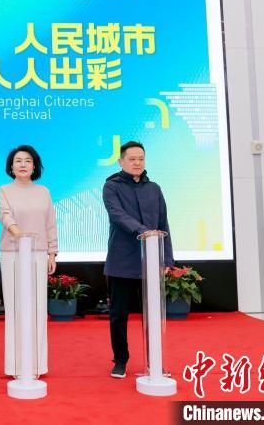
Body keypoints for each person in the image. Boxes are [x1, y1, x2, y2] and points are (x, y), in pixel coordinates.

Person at [102, 141, 173, 379]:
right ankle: (120, 360)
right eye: (132, 159)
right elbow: (117, 215)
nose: (137, 163)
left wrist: (166, 259)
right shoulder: (111, 187)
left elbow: (163, 224)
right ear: (121, 161)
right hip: (122, 261)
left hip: (152, 260)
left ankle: (155, 361)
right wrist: (144, 231)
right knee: (119, 315)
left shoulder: (154, 188)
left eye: (141, 159)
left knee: (153, 314)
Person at [0, 145, 57, 377]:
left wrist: (52, 253)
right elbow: (4, 215)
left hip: (38, 254)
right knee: (15, 309)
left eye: (28, 161)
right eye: (18, 161)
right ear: (11, 167)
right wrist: (19, 235)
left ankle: (37, 365)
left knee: (37, 309)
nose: (23, 164)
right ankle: (15, 365)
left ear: (34, 166)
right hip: (12, 253)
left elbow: (50, 223)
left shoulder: (44, 192)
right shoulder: (4, 190)